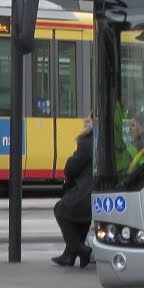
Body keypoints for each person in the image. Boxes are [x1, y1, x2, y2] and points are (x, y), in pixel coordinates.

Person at [52, 114, 94, 268]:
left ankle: (81, 250)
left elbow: (71, 168)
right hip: (95, 190)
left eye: (88, 119)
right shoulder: (102, 140)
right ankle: (69, 255)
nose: (85, 121)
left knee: (60, 210)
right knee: (80, 217)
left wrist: (69, 162)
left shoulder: (87, 141)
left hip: (86, 192)